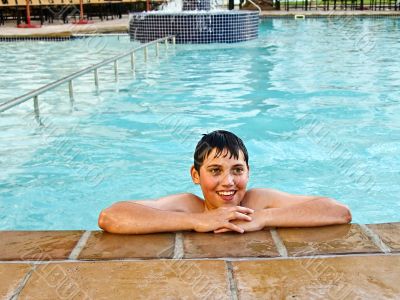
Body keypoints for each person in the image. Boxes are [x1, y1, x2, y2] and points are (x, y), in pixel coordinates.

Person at [98, 130, 352, 234]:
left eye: (237, 170)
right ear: (195, 175)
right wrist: (199, 220)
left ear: (248, 172)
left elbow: (339, 212)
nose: (228, 182)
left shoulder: (259, 201)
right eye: (215, 170)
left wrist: (263, 218)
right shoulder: (188, 205)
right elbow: (111, 216)